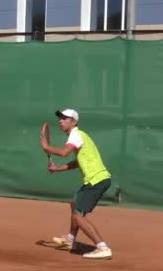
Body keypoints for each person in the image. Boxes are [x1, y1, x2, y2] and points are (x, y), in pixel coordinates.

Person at [40, 109, 113, 260]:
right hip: (96, 179)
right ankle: (70, 240)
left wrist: (47, 147)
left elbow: (65, 152)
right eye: (60, 118)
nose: (61, 121)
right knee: (74, 204)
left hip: (96, 180)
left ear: (74, 122)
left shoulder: (76, 134)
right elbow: (76, 162)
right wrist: (57, 169)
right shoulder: (79, 136)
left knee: (78, 216)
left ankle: (102, 247)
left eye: (65, 118)